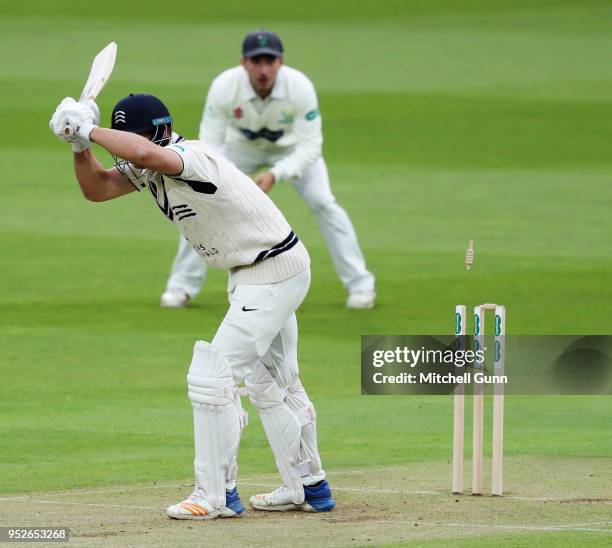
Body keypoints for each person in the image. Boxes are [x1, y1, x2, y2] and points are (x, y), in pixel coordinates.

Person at [49, 92, 335, 519]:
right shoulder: (145, 164)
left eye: (134, 138)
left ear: (161, 131)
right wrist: (79, 145)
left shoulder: (189, 155)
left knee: (211, 375)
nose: (131, 151)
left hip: (272, 271)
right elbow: (97, 189)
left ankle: (214, 496)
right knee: (273, 381)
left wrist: (89, 127)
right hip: (256, 272)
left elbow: (144, 152)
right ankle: (309, 488)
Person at [161, 30, 376, 310]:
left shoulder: (299, 87)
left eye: (269, 61)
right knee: (202, 202)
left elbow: (311, 147)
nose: (263, 69)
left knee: (324, 203)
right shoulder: (225, 86)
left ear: (280, 62)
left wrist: (276, 174)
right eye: (256, 61)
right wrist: (226, 179)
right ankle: (181, 286)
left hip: (292, 150)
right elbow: (208, 145)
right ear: (244, 62)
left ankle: (360, 285)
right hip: (239, 149)